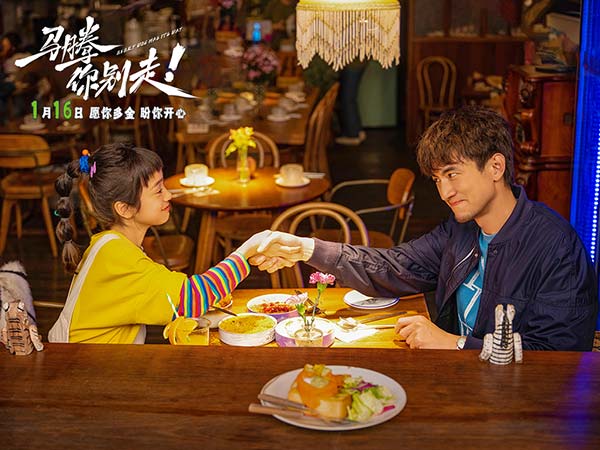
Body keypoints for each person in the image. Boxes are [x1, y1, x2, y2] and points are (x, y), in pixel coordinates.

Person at [250, 106, 598, 351]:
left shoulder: (556, 247)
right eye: (437, 179)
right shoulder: (461, 231)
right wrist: (307, 248)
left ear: (495, 167)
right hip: (457, 379)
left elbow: (558, 354)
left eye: (452, 174)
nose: (445, 192)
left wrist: (456, 344)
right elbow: (394, 266)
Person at [49, 143, 270, 344]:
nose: (168, 195)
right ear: (125, 208)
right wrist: (247, 251)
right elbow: (194, 296)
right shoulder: (117, 256)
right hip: (85, 369)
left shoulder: (107, 244)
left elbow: (175, 303)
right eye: (158, 190)